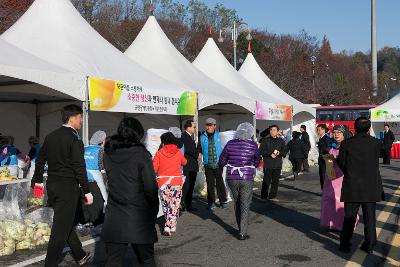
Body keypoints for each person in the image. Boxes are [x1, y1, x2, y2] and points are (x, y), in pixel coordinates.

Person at [32, 104, 93, 266]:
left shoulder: (51, 136)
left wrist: (38, 181)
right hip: (67, 188)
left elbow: (40, 159)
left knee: (63, 222)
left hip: (52, 186)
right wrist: (87, 190)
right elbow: (79, 167)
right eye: (80, 118)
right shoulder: (75, 139)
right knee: (60, 229)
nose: (81, 121)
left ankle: (79, 255)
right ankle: (50, 263)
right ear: (72, 118)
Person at [102, 117, 159, 267]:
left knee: (113, 261)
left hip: (115, 214)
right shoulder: (142, 155)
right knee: (147, 260)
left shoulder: (108, 153)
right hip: (139, 215)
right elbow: (150, 188)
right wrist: (153, 211)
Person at [338, 117, 384, 254]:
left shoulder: (346, 144)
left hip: (352, 184)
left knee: (349, 216)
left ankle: (345, 244)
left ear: (355, 128)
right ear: (369, 128)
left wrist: (350, 173)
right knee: (370, 218)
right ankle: (369, 245)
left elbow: (342, 163)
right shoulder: (376, 143)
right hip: (371, 185)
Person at [219, 123, 260, 240]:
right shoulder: (253, 145)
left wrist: (227, 164)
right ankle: (242, 232)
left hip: (232, 176)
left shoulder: (230, 144)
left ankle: (239, 228)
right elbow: (257, 160)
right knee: (245, 203)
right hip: (247, 177)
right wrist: (251, 166)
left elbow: (222, 161)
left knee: (237, 202)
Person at [320, 125, 358, 231]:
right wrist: (325, 157)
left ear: (344, 134)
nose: (336, 134)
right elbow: (328, 164)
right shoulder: (330, 146)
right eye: (335, 132)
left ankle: (344, 225)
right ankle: (330, 222)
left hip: (343, 177)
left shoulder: (349, 146)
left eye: (339, 132)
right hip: (331, 176)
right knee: (328, 199)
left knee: (339, 201)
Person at [153, 132, 187, 236]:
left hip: (163, 183)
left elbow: (154, 168)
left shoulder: (159, 153)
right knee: (174, 204)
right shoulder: (178, 152)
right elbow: (185, 162)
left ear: (163, 141)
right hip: (176, 182)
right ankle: (170, 225)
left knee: (166, 204)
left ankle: (168, 225)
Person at [198, 118, 228, 210]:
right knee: (210, 184)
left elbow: (225, 148)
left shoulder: (219, 136)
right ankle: (211, 202)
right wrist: (199, 153)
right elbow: (199, 148)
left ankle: (223, 201)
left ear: (215, 126)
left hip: (218, 164)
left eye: (210, 125)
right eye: (207, 125)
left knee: (220, 183)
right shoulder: (202, 137)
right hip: (208, 164)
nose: (208, 127)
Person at [259, 125, 287, 201]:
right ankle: (263, 196)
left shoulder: (281, 141)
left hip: (277, 164)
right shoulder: (265, 140)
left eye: (274, 130)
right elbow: (261, 151)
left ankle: (272, 196)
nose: (272, 131)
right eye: (271, 130)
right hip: (268, 164)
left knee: (275, 182)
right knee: (266, 181)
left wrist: (279, 153)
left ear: (277, 131)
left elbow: (284, 152)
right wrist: (269, 154)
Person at [181, 120, 199, 212]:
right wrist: (198, 155)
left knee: (189, 185)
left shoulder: (188, 136)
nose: (195, 129)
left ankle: (187, 203)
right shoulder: (185, 136)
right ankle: (185, 204)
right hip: (189, 165)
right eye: (194, 127)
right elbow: (191, 150)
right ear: (188, 127)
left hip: (190, 165)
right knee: (188, 185)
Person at [317, 124, 332, 190]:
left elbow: (329, 149)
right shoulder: (321, 138)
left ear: (323, 130)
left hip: (327, 159)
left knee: (328, 176)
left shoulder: (327, 138)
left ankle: (327, 191)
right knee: (322, 176)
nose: (318, 131)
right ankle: (324, 190)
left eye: (319, 130)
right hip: (322, 160)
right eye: (317, 130)